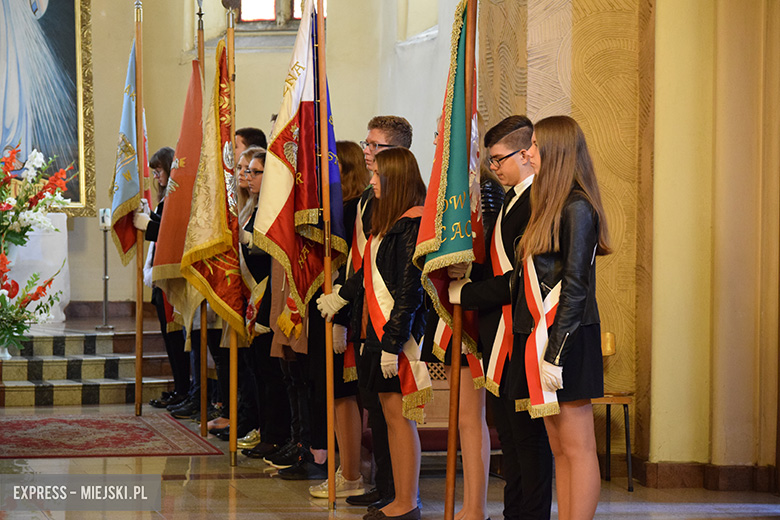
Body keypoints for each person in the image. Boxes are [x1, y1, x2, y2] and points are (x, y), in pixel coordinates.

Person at [449, 116, 554, 520]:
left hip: (523, 335)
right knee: (509, 439)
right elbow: (499, 265)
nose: (493, 169)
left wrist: (468, 294)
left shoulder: (536, 201)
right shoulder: (512, 198)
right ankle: (514, 513)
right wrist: (469, 276)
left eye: (499, 159)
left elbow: (521, 279)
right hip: (502, 337)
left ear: (526, 153)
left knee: (528, 442)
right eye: (490, 161)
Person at [318, 147, 430, 520]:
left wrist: (391, 344)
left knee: (400, 421)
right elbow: (366, 273)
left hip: (397, 338)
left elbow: (408, 292)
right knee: (387, 417)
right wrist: (340, 298)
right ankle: (399, 497)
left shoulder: (412, 224)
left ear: (396, 179)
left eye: (379, 174)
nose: (372, 180)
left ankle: (407, 501)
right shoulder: (389, 221)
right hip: (378, 335)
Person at [513, 115, 611, 520]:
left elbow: (575, 287)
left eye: (534, 145)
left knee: (578, 446)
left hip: (569, 338)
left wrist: (556, 353)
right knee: (558, 447)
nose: (528, 153)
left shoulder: (578, 207)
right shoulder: (549, 204)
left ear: (555, 151)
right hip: (546, 336)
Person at [345, 115, 415, 512]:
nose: (367, 153)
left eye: (376, 146)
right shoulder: (373, 198)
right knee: (376, 408)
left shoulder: (408, 208)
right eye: (366, 144)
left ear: (398, 153)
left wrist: (390, 340)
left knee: (394, 415)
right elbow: (366, 263)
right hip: (370, 320)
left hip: (394, 329)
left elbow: (405, 283)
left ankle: (401, 495)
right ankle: (386, 486)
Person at [308, 140, 371, 499]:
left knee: (343, 395)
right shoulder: (336, 209)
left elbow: (353, 268)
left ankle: (350, 473)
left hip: (342, 311)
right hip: (329, 306)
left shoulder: (348, 211)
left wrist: (342, 317)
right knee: (334, 395)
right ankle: (346, 465)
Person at [134, 146, 190, 410]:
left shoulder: (176, 198)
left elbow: (171, 233)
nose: (156, 176)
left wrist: (148, 224)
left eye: (159, 171)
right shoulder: (163, 199)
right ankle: (180, 387)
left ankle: (185, 388)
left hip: (172, 277)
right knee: (169, 337)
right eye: (154, 172)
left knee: (176, 336)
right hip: (159, 277)